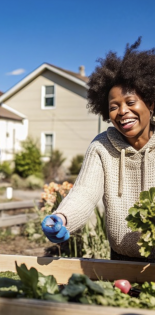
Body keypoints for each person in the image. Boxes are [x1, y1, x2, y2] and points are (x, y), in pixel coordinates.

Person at [42, 37, 155, 262]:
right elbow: (84, 193)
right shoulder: (101, 146)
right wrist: (62, 218)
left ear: (151, 103)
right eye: (114, 107)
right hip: (121, 259)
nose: (122, 111)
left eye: (131, 102)